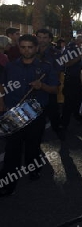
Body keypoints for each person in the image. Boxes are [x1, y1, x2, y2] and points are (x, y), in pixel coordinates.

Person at [0, 34, 59, 197]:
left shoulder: (46, 67)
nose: (26, 50)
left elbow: (54, 89)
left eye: (30, 47)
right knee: (12, 149)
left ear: (36, 48)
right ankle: (8, 184)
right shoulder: (10, 67)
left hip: (36, 114)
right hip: (14, 113)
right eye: (23, 47)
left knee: (33, 146)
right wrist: (1, 102)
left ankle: (33, 169)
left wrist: (42, 86)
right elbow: (2, 87)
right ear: (19, 48)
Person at [36, 28, 62, 134]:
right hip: (34, 88)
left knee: (53, 112)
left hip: (50, 87)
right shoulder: (31, 50)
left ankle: (58, 130)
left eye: (45, 38)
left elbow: (58, 70)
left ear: (50, 39)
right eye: (39, 37)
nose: (42, 40)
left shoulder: (56, 53)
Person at [59, 34, 82, 130]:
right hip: (71, 79)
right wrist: (80, 56)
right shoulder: (70, 49)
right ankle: (64, 124)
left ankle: (78, 117)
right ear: (76, 41)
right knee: (68, 101)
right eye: (80, 42)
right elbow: (66, 63)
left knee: (80, 100)